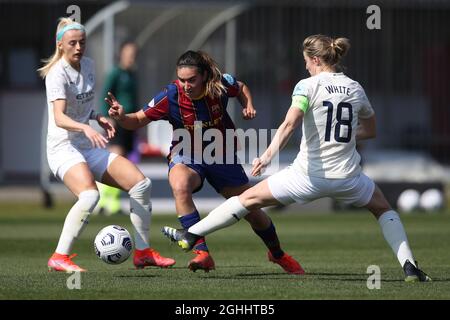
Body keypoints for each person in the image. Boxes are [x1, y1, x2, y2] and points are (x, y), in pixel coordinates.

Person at [161, 35, 431, 282]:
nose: (305, 67)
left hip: (307, 176)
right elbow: (370, 131)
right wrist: (341, 136)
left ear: (315, 60)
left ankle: (191, 233)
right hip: (349, 178)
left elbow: (290, 124)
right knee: (384, 209)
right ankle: (409, 267)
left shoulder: (307, 86)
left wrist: (267, 156)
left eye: (306, 61)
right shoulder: (355, 87)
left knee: (245, 201)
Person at [106, 50, 303, 274]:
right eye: (182, 80)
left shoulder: (219, 85)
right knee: (180, 185)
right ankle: (202, 253)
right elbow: (138, 120)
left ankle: (277, 254)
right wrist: (122, 117)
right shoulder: (170, 95)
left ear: (204, 76)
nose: (186, 85)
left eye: (192, 80)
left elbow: (241, 87)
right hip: (186, 153)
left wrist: (247, 104)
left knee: (252, 210)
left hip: (221, 153)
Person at [38, 18, 175, 272]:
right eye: (72, 43)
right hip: (63, 149)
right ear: (60, 45)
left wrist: (98, 116)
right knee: (90, 195)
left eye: (82, 42)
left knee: (140, 185)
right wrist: (86, 127)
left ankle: (143, 252)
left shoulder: (88, 65)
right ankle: (59, 257)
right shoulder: (57, 73)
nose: (79, 47)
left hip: (86, 145)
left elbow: (83, 106)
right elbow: (59, 117)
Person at [96, 41, 140, 215]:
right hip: (117, 122)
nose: (131, 57)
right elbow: (105, 94)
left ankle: (110, 200)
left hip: (130, 121)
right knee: (117, 158)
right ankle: (106, 200)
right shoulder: (115, 73)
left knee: (125, 161)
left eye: (134, 53)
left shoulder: (133, 75)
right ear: (121, 54)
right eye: (129, 53)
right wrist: (106, 118)